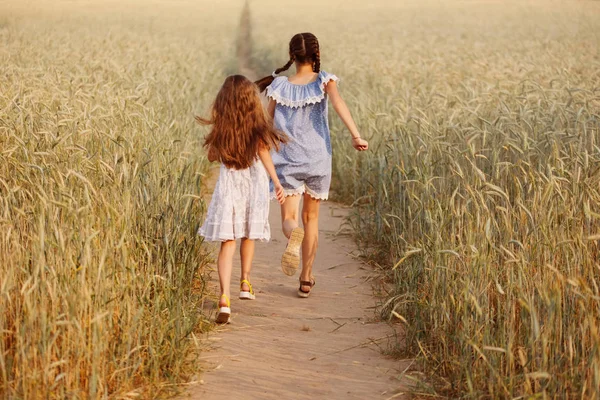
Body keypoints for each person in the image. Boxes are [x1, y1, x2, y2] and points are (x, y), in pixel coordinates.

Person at [255, 32, 368, 298]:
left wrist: (259, 149)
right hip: (318, 158)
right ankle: (306, 278)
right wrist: (356, 135)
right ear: (316, 54)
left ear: (292, 56)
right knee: (312, 219)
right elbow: (339, 104)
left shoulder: (280, 86)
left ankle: (293, 235)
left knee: (290, 219)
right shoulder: (324, 81)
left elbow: (267, 122)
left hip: (288, 159)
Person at [197, 75, 286, 324]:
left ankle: (224, 299)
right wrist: (276, 182)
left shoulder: (222, 129)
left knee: (228, 241)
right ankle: (245, 282)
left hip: (229, 186)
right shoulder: (256, 128)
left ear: (223, 102)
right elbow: (264, 154)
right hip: (253, 185)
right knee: (248, 234)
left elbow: (213, 157)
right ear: (251, 102)